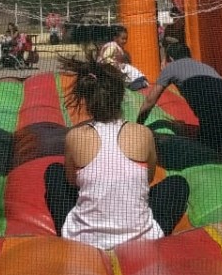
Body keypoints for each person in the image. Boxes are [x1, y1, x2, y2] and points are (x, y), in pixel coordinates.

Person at [44, 54, 189, 249]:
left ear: (87, 100)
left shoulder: (75, 136)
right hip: (140, 238)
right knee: (178, 184)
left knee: (54, 172)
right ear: (121, 97)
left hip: (83, 239)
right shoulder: (143, 134)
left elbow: (71, 181)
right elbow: (148, 178)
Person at [136, 42, 222, 150]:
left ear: (169, 58)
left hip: (217, 129)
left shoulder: (171, 67)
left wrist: (138, 125)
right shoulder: (203, 66)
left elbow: (150, 100)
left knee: (167, 141)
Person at [97, 25, 148, 90]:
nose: (125, 41)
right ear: (115, 38)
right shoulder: (112, 46)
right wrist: (115, 64)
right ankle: (140, 82)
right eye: (123, 39)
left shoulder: (118, 47)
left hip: (112, 69)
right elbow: (105, 57)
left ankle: (140, 81)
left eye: (126, 39)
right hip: (107, 68)